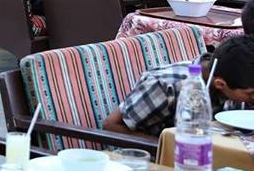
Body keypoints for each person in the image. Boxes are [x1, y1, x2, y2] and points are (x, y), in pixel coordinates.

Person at [103, 36, 254, 137]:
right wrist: (167, 146)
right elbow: (111, 125)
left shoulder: (234, 77)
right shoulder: (165, 85)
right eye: (250, 93)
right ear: (220, 84)